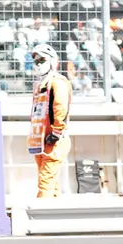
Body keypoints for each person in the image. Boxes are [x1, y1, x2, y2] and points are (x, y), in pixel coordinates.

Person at [28, 44, 71, 201]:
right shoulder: (41, 85)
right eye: (36, 62)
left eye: (42, 60)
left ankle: (40, 219)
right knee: (50, 182)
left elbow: (60, 107)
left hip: (53, 140)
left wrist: (56, 133)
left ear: (52, 61)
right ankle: (55, 218)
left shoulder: (57, 82)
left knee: (45, 182)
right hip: (41, 141)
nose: (39, 64)